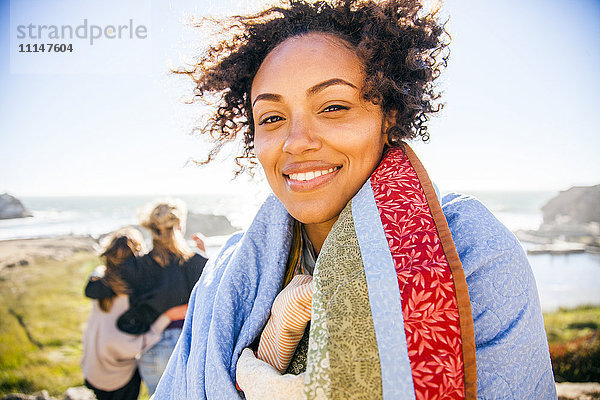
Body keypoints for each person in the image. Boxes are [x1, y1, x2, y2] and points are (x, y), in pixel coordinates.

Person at [154, 1, 557, 399]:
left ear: (390, 116)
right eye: (272, 118)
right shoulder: (224, 274)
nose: (296, 142)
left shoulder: (472, 249)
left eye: (333, 107)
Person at [85, 199, 208, 395]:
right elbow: (208, 299)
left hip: (153, 350)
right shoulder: (197, 263)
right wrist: (202, 254)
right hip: (188, 345)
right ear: (179, 225)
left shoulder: (135, 267)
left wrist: (97, 274)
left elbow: (95, 290)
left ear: (152, 228)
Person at [81, 227, 188, 400]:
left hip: (91, 369)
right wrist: (166, 317)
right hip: (117, 378)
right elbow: (134, 346)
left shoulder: (101, 283)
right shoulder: (134, 295)